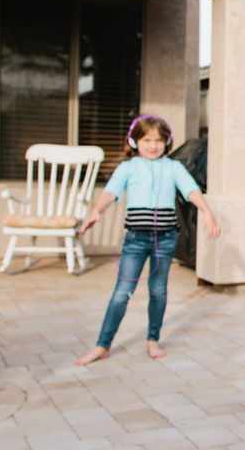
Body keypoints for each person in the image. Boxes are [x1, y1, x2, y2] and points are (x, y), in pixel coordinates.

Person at [73, 115, 220, 365]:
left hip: (165, 239)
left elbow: (191, 189)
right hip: (136, 240)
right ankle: (102, 345)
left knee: (158, 290)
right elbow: (111, 192)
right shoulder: (128, 168)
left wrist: (207, 212)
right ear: (134, 141)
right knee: (122, 292)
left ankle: (153, 339)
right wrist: (97, 210)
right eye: (147, 140)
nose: (153, 146)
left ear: (167, 142)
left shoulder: (173, 167)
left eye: (159, 141)